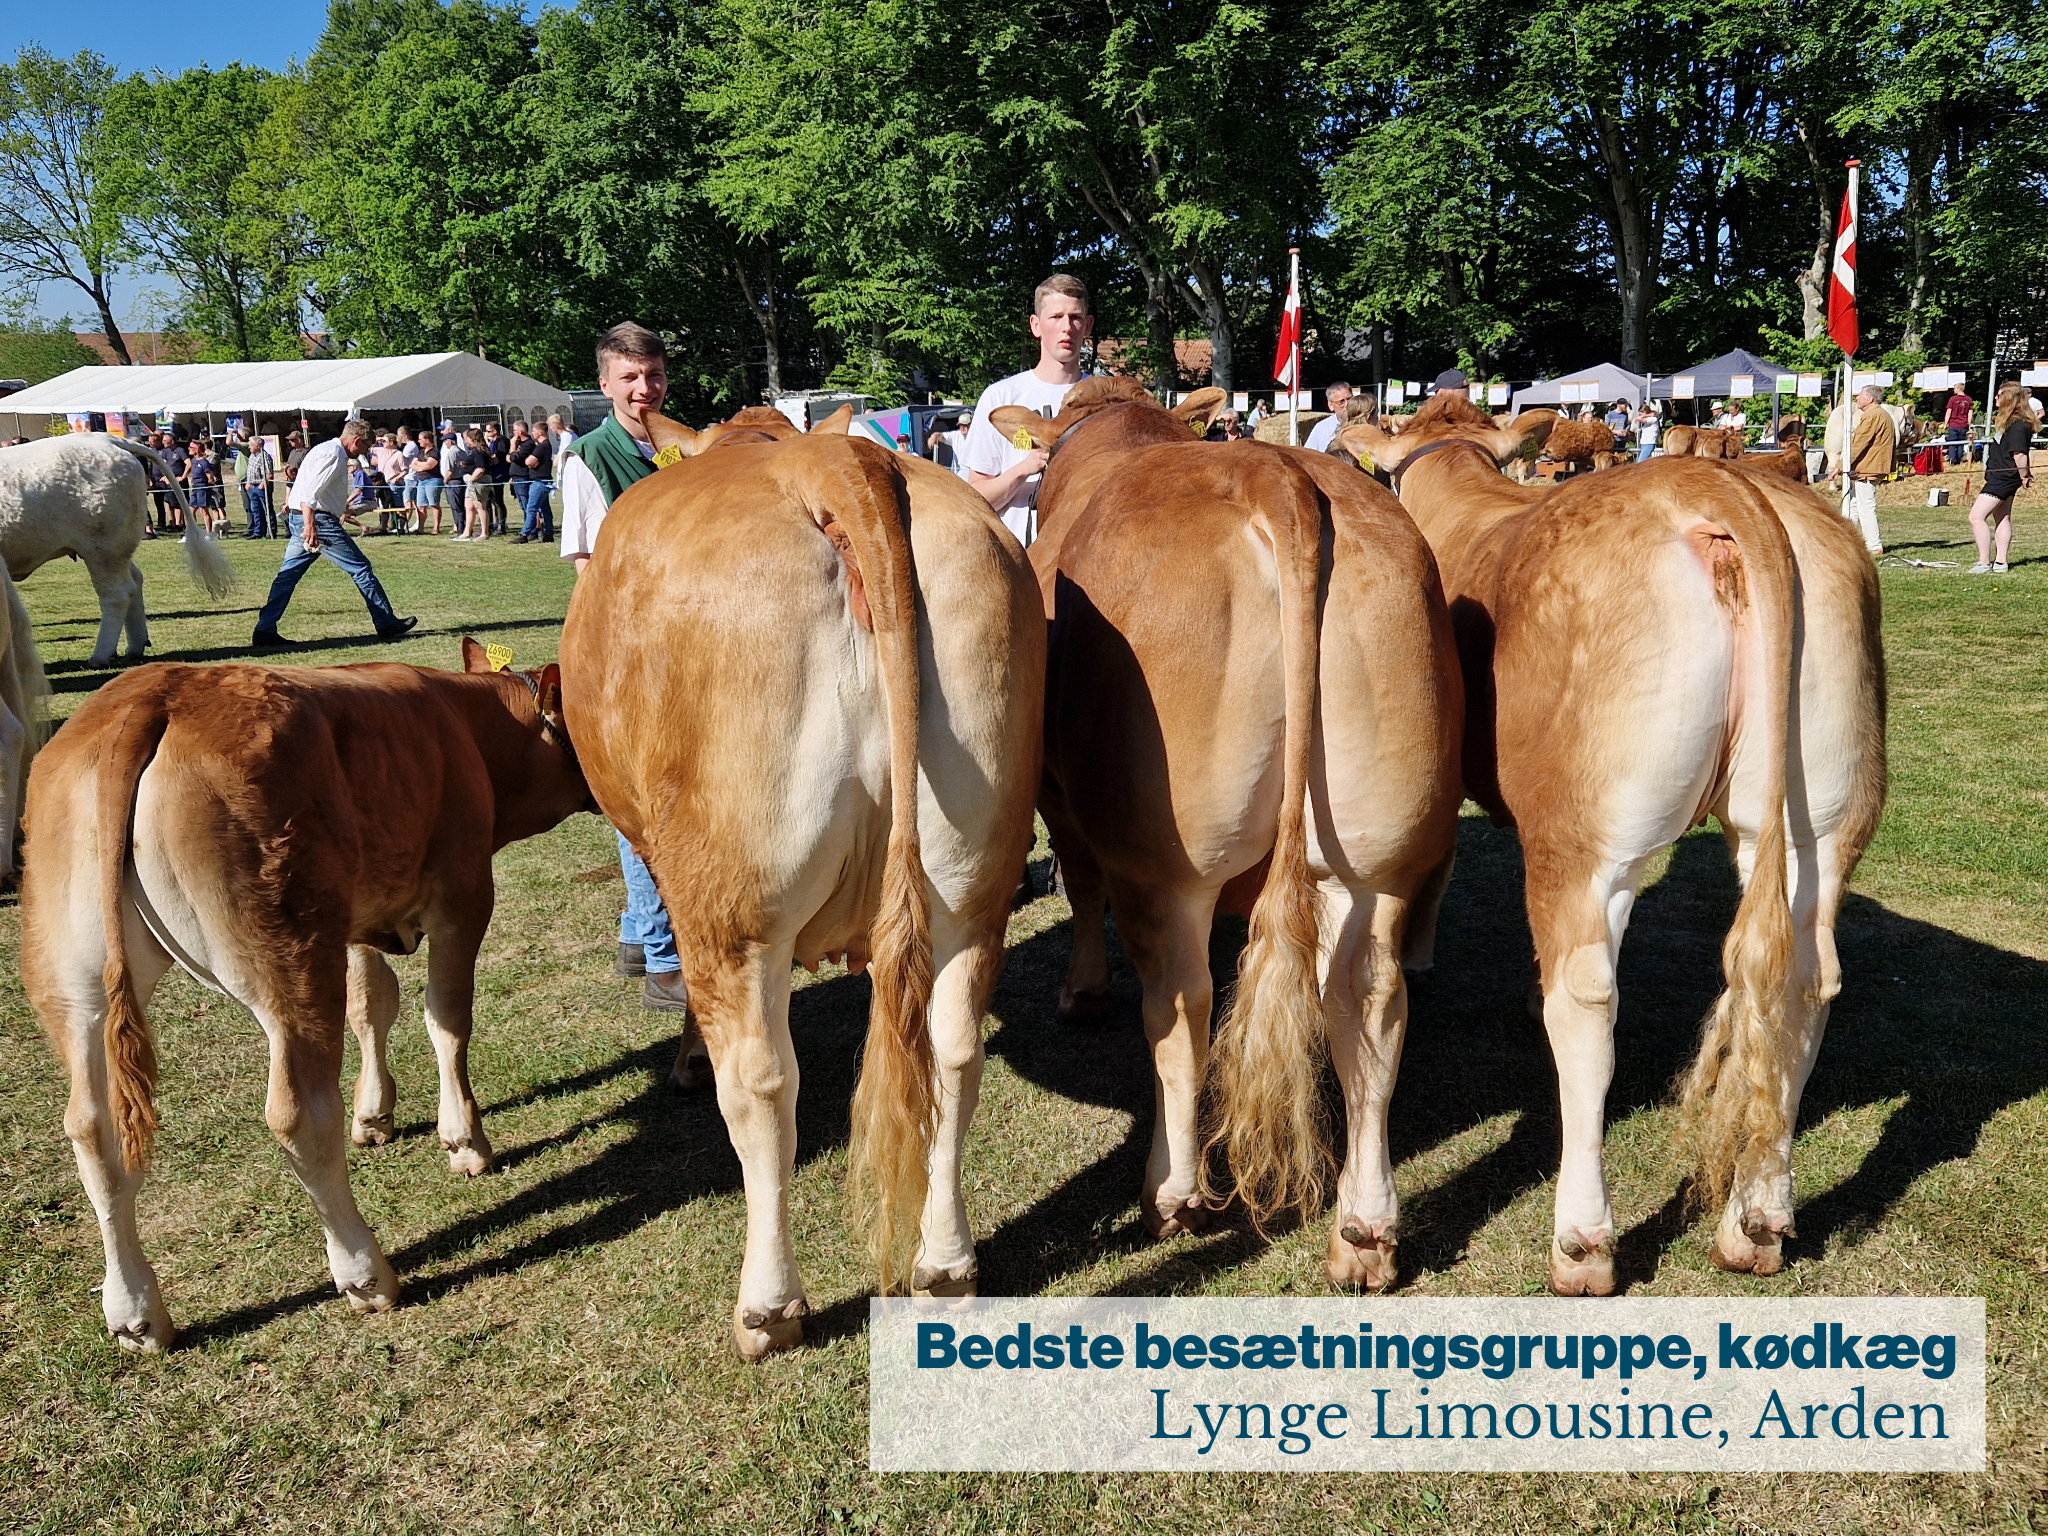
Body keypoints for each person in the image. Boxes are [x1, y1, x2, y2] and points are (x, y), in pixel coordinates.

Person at [557, 320, 687, 1014]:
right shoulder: (590, 457)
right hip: (626, 650)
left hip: (681, 640)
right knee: (638, 802)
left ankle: (639, 934)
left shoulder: (681, 445)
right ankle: (665, 958)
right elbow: (586, 567)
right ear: (605, 383)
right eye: (630, 378)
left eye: (654, 375)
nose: (645, 389)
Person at [251, 419, 417, 647]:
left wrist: (320, 515)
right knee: (360, 568)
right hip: (317, 520)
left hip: (303, 517)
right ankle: (386, 622)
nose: (363, 454)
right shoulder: (334, 455)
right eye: (364, 448)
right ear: (357, 441)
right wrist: (311, 526)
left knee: (287, 576)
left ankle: (264, 629)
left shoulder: (323, 449)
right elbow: (310, 493)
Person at [961, 272, 1095, 545]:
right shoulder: (1001, 397)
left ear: (1088, 326)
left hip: (1088, 560)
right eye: (1056, 317)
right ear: (1035, 325)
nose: (1066, 327)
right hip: (1017, 566)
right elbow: (974, 498)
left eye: (1075, 317)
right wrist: (1024, 468)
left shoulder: (1105, 401)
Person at [1968, 382, 2038, 574]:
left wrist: (2025, 476)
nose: (1996, 398)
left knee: (1976, 517)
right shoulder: (2009, 421)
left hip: (2004, 478)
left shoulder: (2018, 424)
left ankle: (1983, 562)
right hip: (2000, 475)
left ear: (2009, 398)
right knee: (2003, 516)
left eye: (1999, 395)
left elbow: (2020, 454)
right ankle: (2001, 563)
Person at [1841, 385, 1894, 553]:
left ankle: (1874, 545)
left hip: (1868, 467)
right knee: (1854, 505)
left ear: (1870, 398)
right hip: (1868, 467)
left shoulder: (1873, 415)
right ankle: (1847, 539)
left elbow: (1858, 444)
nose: (1856, 398)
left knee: (1865, 506)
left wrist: (1840, 466)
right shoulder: (1879, 414)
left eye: (1860, 395)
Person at [513, 421, 554, 542]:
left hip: (539, 482)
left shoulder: (542, 447)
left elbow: (528, 462)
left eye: (534, 431)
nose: (532, 433)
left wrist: (532, 463)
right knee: (545, 508)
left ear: (540, 432)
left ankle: (525, 534)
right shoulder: (545, 445)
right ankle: (548, 533)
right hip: (543, 480)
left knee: (531, 508)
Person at [454, 428, 493, 541]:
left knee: (480, 506)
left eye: (467, 439)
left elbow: (481, 468)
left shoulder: (478, 451)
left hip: (479, 482)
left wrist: (472, 479)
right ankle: (467, 532)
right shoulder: (475, 451)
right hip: (472, 483)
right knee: (469, 506)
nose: (466, 441)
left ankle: (484, 533)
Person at [1304, 381, 1354, 452]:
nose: (1347, 404)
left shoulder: (1364, 423)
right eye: (1341, 402)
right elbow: (1308, 455)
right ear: (1331, 405)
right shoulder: (1321, 429)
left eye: (1350, 399)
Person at [241, 434, 275, 538]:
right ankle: (258, 532)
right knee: (255, 510)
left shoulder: (264, 456)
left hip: (261, 487)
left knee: (267, 510)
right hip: (252, 487)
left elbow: (269, 473)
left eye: (251, 445)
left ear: (258, 446)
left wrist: (262, 484)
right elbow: (250, 470)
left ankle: (271, 531)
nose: (249, 447)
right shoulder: (252, 456)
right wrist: (249, 483)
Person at [482, 422, 510, 535]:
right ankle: (489, 525)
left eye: (489, 431)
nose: (487, 434)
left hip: (499, 474)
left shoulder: (501, 441)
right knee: (488, 500)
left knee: (498, 500)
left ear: (495, 431)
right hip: (492, 474)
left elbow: (498, 458)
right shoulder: (492, 441)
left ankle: (501, 525)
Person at [1943, 384, 1974, 467]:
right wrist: (1969, 424)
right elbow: (1970, 413)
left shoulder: (1953, 399)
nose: (1954, 390)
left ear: (1958, 388)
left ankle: (1953, 461)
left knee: (1952, 443)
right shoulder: (1969, 399)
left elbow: (1948, 412)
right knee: (1961, 443)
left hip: (1953, 424)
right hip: (1963, 425)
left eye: (1955, 388)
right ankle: (1958, 460)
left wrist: (1945, 424)